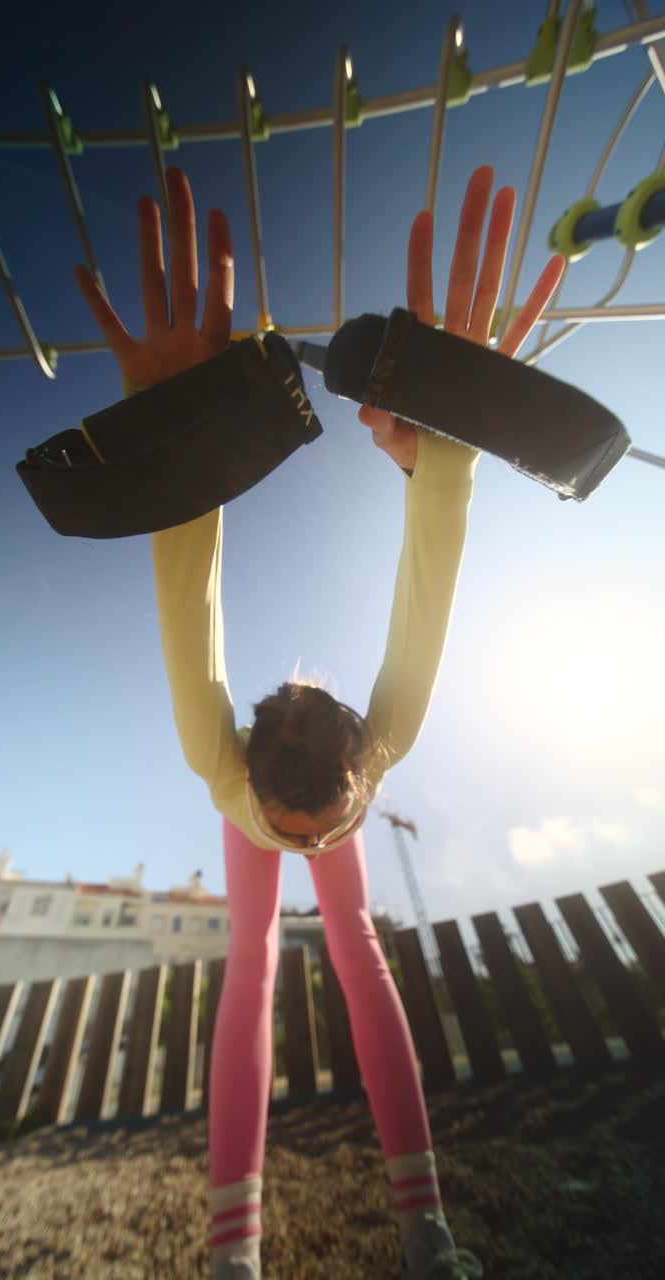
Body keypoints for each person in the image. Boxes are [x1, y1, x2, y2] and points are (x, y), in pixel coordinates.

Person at [75, 164, 564, 1280]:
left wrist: (183, 435)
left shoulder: (225, 770)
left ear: (265, 755)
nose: (307, 837)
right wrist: (449, 451)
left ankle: (242, 1251)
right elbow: (426, 589)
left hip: (257, 798)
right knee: (352, 961)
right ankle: (412, 1229)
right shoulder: (375, 750)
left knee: (259, 963)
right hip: (303, 787)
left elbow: (183, 585)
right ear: (348, 759)